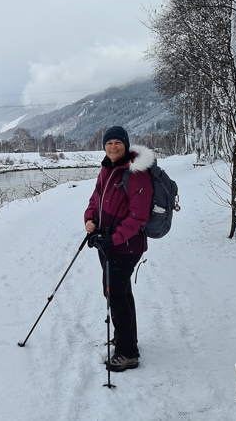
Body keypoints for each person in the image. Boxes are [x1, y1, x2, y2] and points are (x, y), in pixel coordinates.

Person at [84, 126, 154, 372]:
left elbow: (138, 217)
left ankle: (127, 354)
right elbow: (95, 199)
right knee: (121, 294)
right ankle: (127, 340)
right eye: (109, 142)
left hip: (125, 247)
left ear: (126, 144)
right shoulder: (107, 168)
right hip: (108, 243)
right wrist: (89, 220)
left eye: (117, 142)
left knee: (115, 296)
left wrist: (113, 239)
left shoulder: (136, 174)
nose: (113, 146)